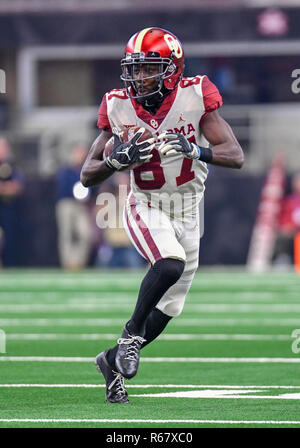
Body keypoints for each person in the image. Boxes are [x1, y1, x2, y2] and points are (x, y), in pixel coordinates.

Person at [81, 27, 244, 404]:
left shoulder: (194, 96)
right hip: (147, 204)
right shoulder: (118, 104)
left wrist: (195, 149)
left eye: (148, 69)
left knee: (171, 306)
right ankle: (128, 336)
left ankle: (111, 360)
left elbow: (235, 155)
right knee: (169, 264)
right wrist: (113, 161)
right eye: (134, 70)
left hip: (189, 209)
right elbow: (88, 173)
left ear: (171, 69)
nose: (139, 78)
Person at [55, 143, 92, 270]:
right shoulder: (66, 170)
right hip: (67, 204)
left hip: (82, 205)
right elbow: (63, 188)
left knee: (85, 233)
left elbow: (92, 186)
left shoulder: (87, 169)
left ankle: (79, 262)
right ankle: (68, 263)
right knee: (66, 234)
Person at [0, 137, 24, 266]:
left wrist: (4, 188)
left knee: (9, 239)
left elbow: (18, 186)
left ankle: (9, 265)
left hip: (8, 210)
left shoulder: (12, 166)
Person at [273, 172, 300, 265]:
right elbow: (284, 221)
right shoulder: (289, 201)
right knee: (282, 236)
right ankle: (283, 259)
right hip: (293, 232)